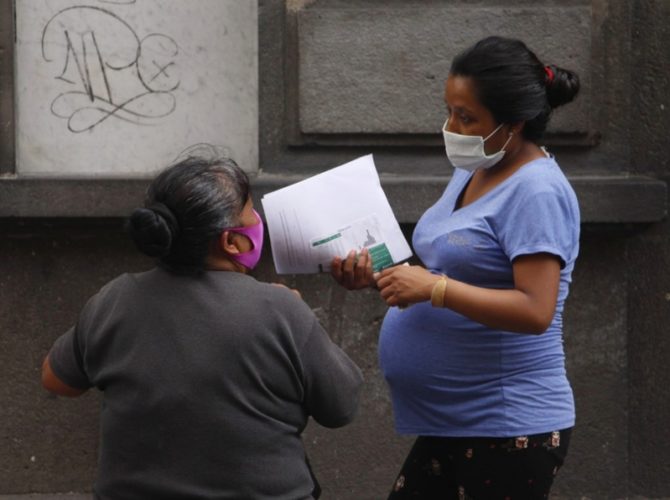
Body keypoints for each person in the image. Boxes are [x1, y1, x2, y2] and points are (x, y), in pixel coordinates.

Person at [332, 36, 581, 499]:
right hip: (455, 422)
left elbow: (535, 309)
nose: (451, 127)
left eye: (466, 117)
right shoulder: (475, 168)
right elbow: (450, 268)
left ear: (514, 123)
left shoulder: (538, 193)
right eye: (449, 110)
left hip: (507, 425)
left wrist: (433, 289)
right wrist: (380, 275)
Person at [42, 154, 363, 500]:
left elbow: (56, 380)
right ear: (230, 241)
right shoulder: (281, 310)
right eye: (250, 212)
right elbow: (341, 407)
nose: (257, 220)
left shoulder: (114, 298)